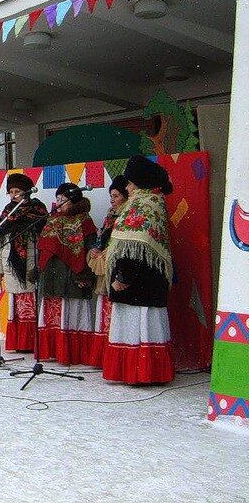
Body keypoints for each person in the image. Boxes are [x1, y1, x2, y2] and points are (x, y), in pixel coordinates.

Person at [103, 156, 175, 385]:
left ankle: (138, 372)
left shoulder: (143, 205)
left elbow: (132, 244)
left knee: (137, 327)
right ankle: (146, 372)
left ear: (140, 184)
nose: (127, 187)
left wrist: (123, 277)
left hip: (137, 283)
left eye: (130, 183)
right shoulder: (154, 202)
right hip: (147, 283)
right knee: (144, 327)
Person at [36, 183, 97, 365]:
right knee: (54, 314)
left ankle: (73, 353)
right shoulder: (52, 220)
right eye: (58, 199)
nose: (59, 203)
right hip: (51, 276)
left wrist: (85, 274)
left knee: (71, 314)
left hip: (72, 276)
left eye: (63, 199)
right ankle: (54, 351)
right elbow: (44, 248)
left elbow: (90, 248)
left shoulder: (84, 221)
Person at [0, 173, 48, 353]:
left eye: (18, 191)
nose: (14, 195)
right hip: (10, 264)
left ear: (27, 192)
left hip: (30, 262)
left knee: (28, 301)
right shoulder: (7, 213)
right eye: (11, 191)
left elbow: (44, 239)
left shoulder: (38, 211)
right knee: (15, 303)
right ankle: (17, 342)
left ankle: (30, 342)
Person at [86, 175, 129, 367]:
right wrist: (96, 249)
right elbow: (101, 238)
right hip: (105, 268)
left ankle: (117, 358)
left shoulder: (129, 216)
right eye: (111, 195)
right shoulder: (110, 216)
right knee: (105, 310)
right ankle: (104, 356)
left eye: (116, 195)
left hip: (119, 268)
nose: (112, 199)